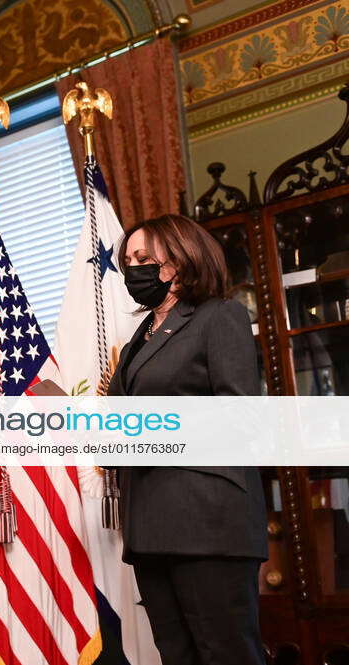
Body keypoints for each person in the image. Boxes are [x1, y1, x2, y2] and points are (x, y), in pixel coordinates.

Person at [108, 214, 268, 665]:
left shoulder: (220, 316)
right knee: (177, 655)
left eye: (143, 258)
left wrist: (149, 427)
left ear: (179, 258)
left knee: (226, 653)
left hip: (208, 523)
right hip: (149, 525)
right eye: (127, 261)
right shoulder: (141, 337)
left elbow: (241, 418)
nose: (131, 269)